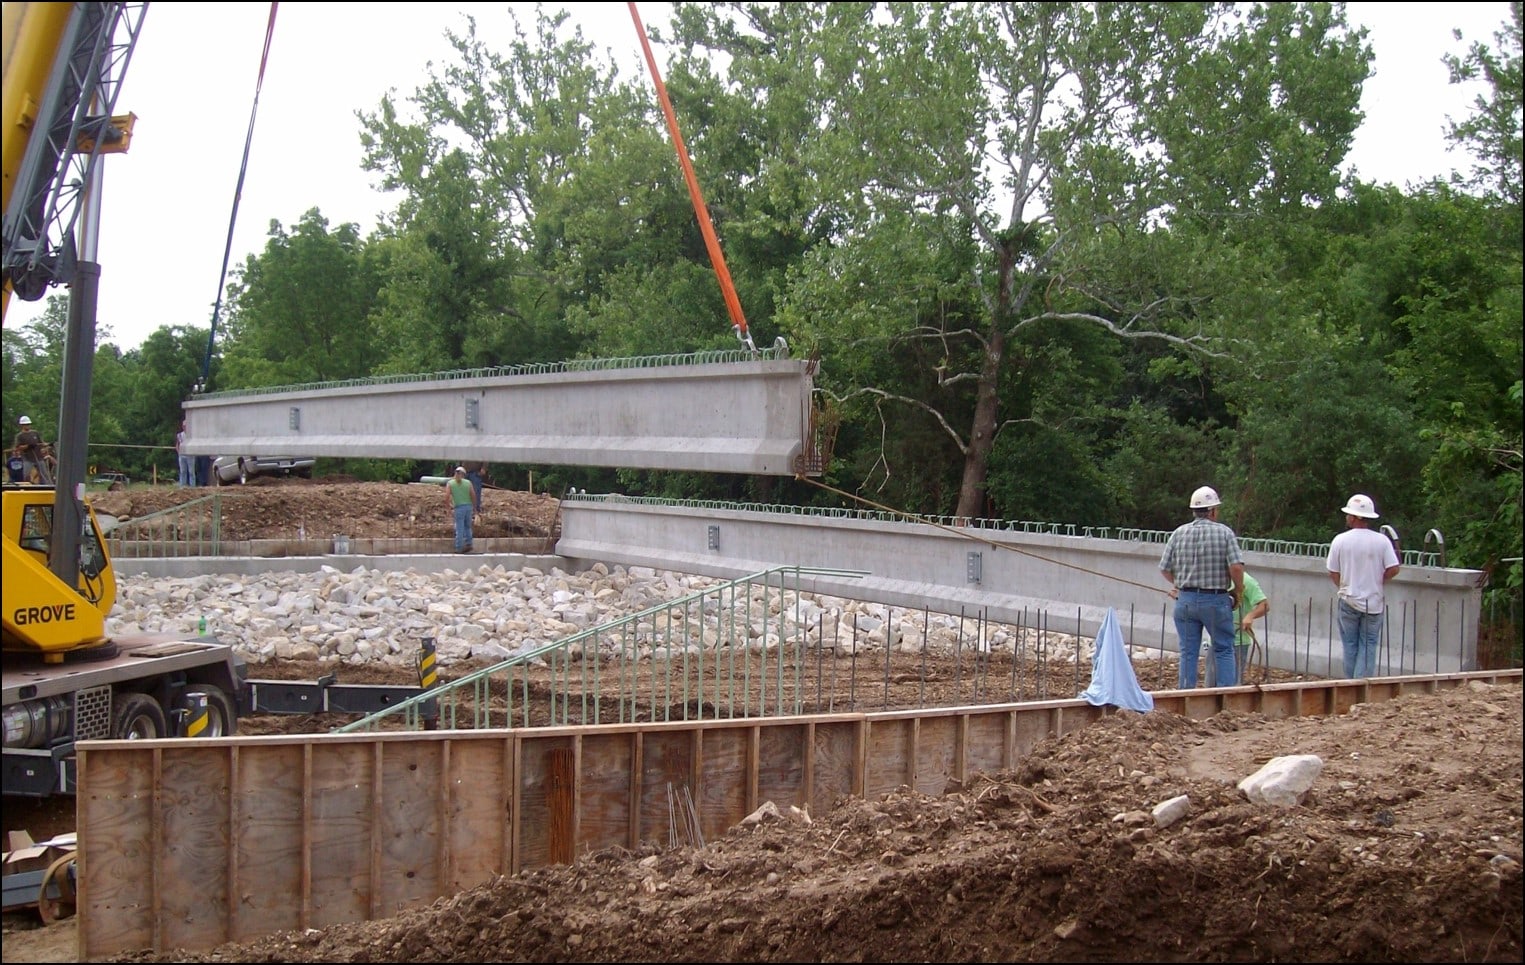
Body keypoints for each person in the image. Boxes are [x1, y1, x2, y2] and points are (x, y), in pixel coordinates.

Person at [1159, 485, 1245, 690]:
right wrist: (1238, 590)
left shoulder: (1179, 533)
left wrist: (1179, 584)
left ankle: (1185, 695)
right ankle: (1225, 695)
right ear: (1213, 510)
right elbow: (1235, 567)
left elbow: (1164, 568)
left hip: (1186, 600)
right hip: (1215, 600)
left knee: (1188, 651)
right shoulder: (1224, 533)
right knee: (1224, 648)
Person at [1326, 493, 1400, 678]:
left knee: (1350, 645)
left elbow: (1333, 571)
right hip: (1373, 603)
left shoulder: (1340, 540)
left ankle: (1351, 686)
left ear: (1353, 517)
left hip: (1348, 600)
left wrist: (1343, 585)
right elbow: (1394, 568)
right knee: (1368, 645)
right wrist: (1378, 580)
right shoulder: (1382, 541)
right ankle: (1362, 688)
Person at [446, 465, 475, 553]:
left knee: (459, 528)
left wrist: (448, 507)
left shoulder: (450, 483)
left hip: (459, 508)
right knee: (467, 526)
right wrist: (474, 507)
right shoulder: (468, 483)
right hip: (468, 507)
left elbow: (446, 496)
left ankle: (459, 548)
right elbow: (473, 495)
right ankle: (469, 544)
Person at [12, 415, 46, 483]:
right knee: (26, 475)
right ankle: (25, 488)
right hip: (27, 459)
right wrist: (28, 446)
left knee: (44, 474)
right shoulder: (19, 436)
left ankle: (46, 487)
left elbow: (41, 443)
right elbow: (17, 447)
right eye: (26, 424)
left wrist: (46, 446)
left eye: (28, 424)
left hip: (38, 457)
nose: (28, 426)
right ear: (22, 425)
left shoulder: (35, 433)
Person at [176, 422, 194, 487]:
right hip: (182, 455)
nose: (184, 427)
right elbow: (177, 445)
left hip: (190, 455)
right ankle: (182, 486)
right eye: (184, 426)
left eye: (186, 426)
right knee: (183, 471)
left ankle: (192, 486)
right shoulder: (180, 435)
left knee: (191, 472)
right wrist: (179, 452)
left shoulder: (191, 435)